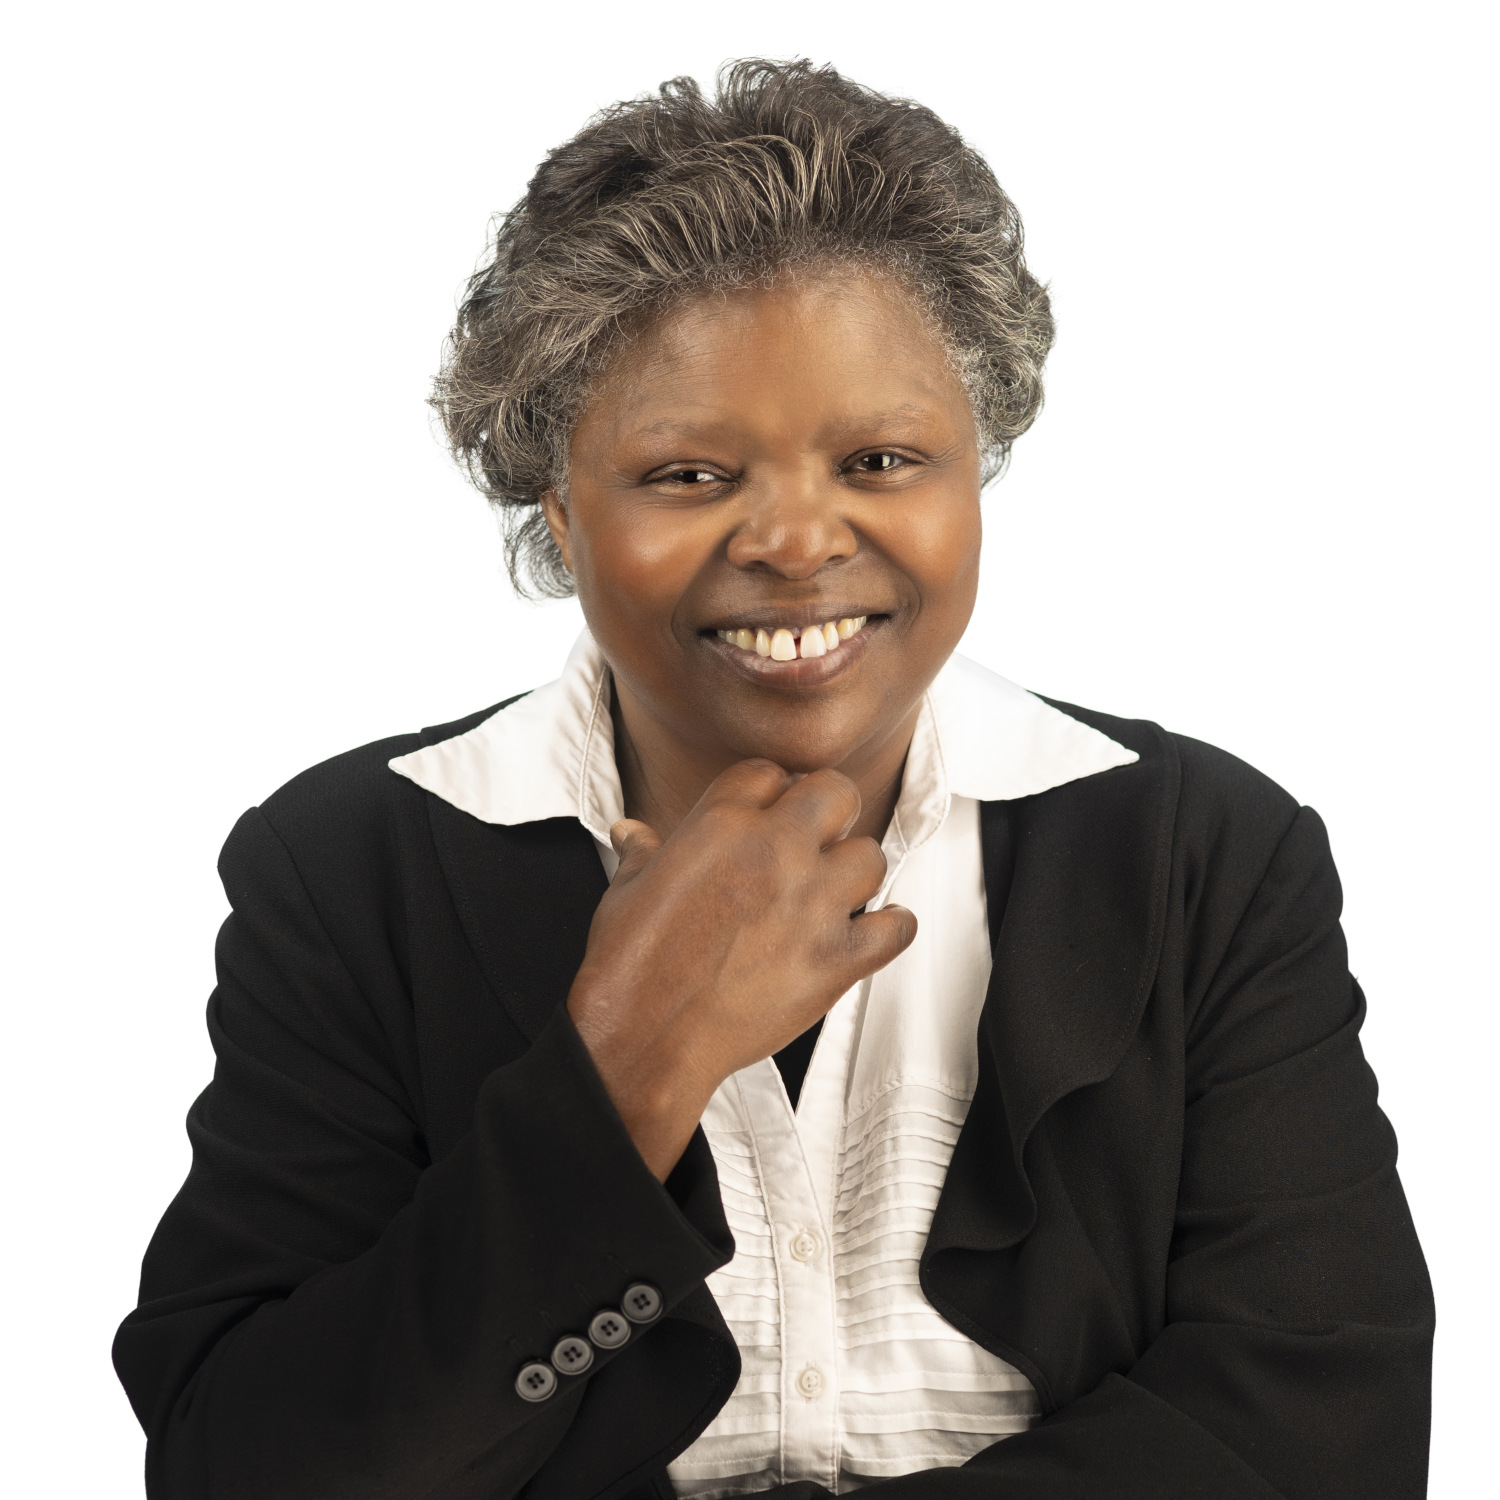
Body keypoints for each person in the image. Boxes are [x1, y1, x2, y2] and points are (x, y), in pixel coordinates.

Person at [112, 59, 1433, 1500]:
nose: (799, 541)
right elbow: (241, 1464)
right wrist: (625, 1074)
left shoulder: (1206, 856)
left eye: (879, 458)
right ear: (559, 510)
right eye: (690, 475)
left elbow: (1325, 1422)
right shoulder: (351, 868)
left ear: (972, 476)